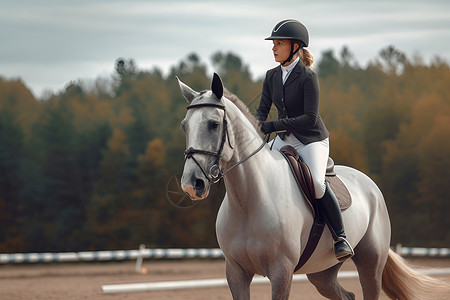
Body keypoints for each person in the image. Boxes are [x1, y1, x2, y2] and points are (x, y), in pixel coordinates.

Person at [255, 19, 354, 262]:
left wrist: (273, 126)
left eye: (279, 44)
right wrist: (254, 127)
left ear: (295, 47)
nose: (274, 48)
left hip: (311, 139)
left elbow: (309, 118)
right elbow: (262, 111)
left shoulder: (308, 77)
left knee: (318, 185)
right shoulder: (271, 76)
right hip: (284, 139)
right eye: (274, 44)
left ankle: (340, 238)